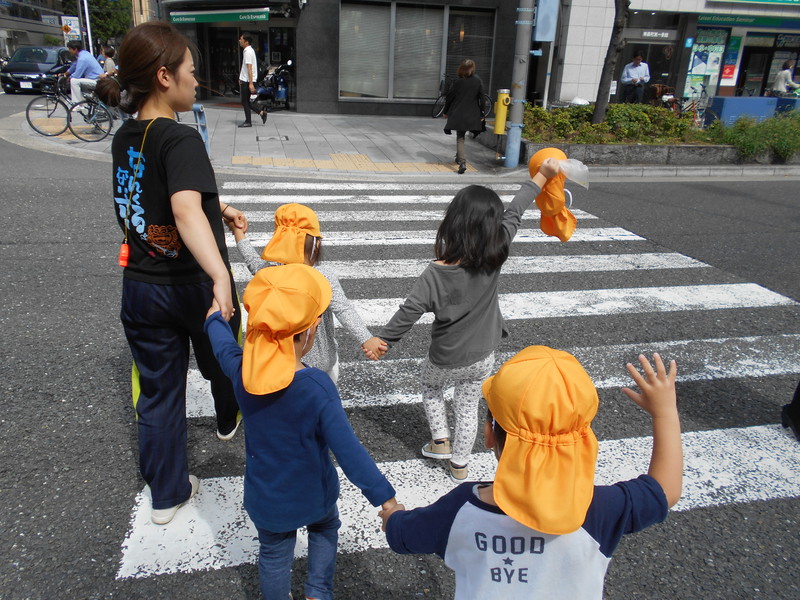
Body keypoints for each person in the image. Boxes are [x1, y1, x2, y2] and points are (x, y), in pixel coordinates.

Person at [95, 22, 249, 525]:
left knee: (160, 393)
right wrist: (220, 277)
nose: (196, 81)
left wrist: (218, 206)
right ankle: (229, 418)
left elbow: (154, 193)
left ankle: (167, 495)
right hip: (192, 284)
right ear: (164, 76)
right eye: (191, 71)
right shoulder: (180, 137)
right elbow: (183, 209)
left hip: (141, 286)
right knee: (224, 357)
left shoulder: (127, 136)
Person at [380, 347, 683, 599]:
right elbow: (665, 490)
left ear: (488, 435)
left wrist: (392, 514)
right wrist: (665, 412)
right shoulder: (601, 509)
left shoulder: (460, 508)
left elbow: (403, 535)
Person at [204, 263, 401, 600]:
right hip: (314, 492)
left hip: (266, 498)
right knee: (325, 528)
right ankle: (317, 591)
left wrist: (213, 319)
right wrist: (385, 497)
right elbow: (349, 451)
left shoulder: (242, 372)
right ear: (308, 333)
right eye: (316, 320)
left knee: (273, 556)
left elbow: (224, 348)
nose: (320, 322)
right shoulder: (315, 386)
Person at [362, 159, 560, 482]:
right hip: (484, 355)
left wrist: (383, 341)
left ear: (453, 223)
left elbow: (408, 313)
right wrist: (543, 175)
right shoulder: (497, 254)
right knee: (468, 404)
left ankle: (440, 439)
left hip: (446, 356)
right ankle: (460, 466)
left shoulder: (435, 274)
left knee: (430, 385)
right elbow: (517, 209)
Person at [227, 203, 386, 383]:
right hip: (319, 365)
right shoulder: (322, 276)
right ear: (316, 243)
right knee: (321, 405)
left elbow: (252, 261)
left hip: (280, 361)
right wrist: (366, 338)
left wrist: (237, 232)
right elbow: (343, 309)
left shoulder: (270, 272)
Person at [442, 59, 485, 174]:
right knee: (462, 136)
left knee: (460, 137)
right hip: (472, 114)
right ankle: (458, 157)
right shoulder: (477, 81)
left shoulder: (457, 82)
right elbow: (482, 98)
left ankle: (462, 162)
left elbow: (449, 98)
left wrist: (445, 112)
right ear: (472, 69)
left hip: (458, 114)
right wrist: (483, 113)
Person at [238, 32, 264, 127]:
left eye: (241, 39)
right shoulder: (248, 51)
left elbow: (250, 68)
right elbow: (244, 67)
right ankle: (261, 113)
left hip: (248, 81)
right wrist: (240, 77)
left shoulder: (248, 52)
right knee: (246, 101)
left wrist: (251, 83)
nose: (239, 40)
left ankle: (248, 121)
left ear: (246, 41)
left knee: (245, 101)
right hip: (245, 80)